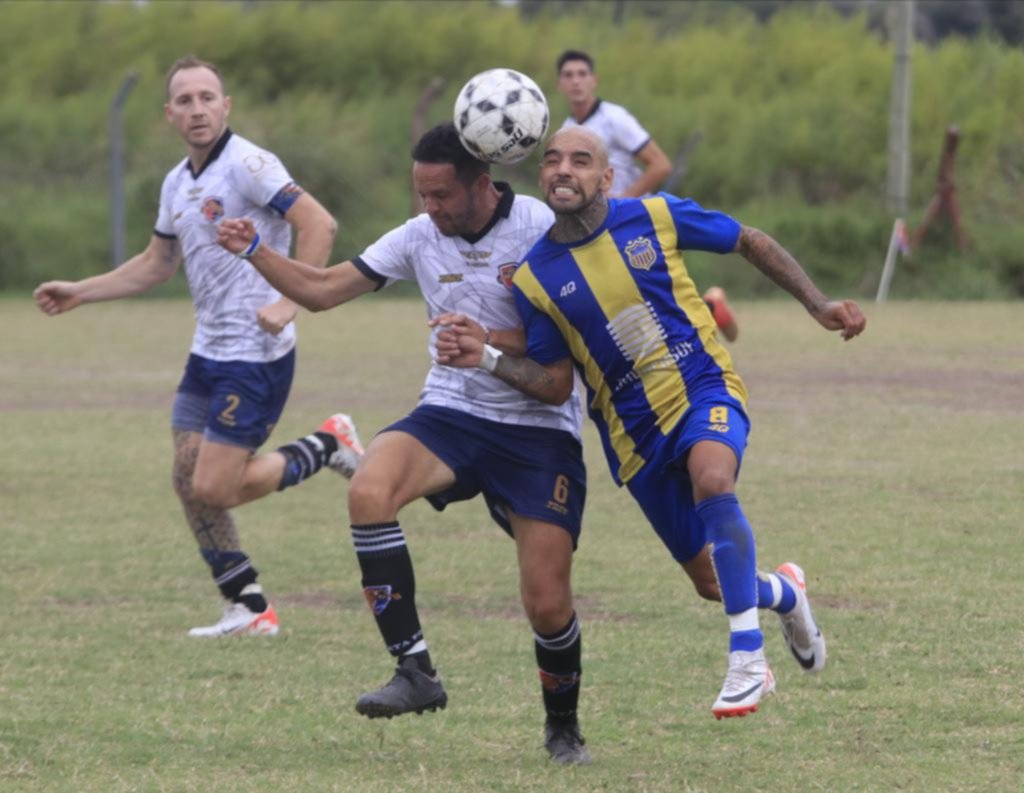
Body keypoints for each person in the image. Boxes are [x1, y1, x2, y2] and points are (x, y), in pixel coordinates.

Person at [435, 127, 867, 719]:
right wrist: (485, 355)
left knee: (713, 479)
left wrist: (818, 303)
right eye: (553, 160)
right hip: (633, 438)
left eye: (581, 160)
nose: (564, 169)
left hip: (702, 388)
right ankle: (785, 592)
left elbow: (748, 239)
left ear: (606, 178)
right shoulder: (534, 278)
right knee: (712, 582)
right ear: (541, 177)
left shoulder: (656, 216)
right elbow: (555, 381)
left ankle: (747, 659)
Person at [216, 123, 593, 765]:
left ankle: (563, 729)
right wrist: (257, 251)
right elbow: (324, 290)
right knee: (368, 489)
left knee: (547, 602)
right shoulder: (419, 235)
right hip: (452, 409)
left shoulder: (538, 226)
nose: (431, 208)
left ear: (481, 183)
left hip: (537, 426)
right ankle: (415, 671)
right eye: (422, 194)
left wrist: (489, 339)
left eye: (442, 194)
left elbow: (576, 334)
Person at [33, 56, 364, 639]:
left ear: (225, 105)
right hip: (207, 353)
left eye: (207, 97)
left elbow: (321, 225)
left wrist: (291, 303)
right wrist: (81, 291)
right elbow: (157, 263)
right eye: (184, 100)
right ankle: (248, 605)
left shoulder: (250, 165)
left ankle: (327, 443)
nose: (197, 109)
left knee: (214, 487)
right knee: (187, 480)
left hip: (256, 355)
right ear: (169, 114)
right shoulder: (177, 182)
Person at [556, 49, 739, 342]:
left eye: (582, 74)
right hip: (597, 228)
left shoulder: (614, 118)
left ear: (594, 80)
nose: (576, 81)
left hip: (631, 221)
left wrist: (622, 203)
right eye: (568, 75)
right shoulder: (566, 131)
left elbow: (660, 164)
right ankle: (714, 306)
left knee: (655, 303)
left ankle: (710, 310)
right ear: (560, 84)